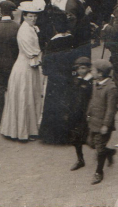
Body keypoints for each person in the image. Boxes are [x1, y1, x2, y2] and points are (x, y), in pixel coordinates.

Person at [0, 0, 45, 141]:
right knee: (25, 97)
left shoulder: (31, 28)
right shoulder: (24, 30)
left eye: (35, 16)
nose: (33, 18)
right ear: (24, 16)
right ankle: (22, 131)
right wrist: (41, 57)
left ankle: (29, 129)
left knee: (29, 97)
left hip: (28, 66)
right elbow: (32, 52)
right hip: (25, 66)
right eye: (30, 16)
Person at [39, 10, 78, 144]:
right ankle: (67, 135)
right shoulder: (71, 39)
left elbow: (46, 65)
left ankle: (52, 137)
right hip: (67, 78)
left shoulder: (52, 42)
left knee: (54, 106)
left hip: (55, 80)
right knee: (67, 104)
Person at [0, 0, 20, 126]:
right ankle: (14, 118)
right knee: (13, 89)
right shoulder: (17, 26)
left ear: (1, 12)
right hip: (14, 62)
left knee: (0, 90)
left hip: (0, 63)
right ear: (11, 12)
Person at [87, 58, 118, 185]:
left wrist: (106, 125)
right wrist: (88, 113)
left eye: (93, 70)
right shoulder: (96, 83)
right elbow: (93, 100)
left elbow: (111, 110)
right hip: (93, 122)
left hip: (103, 125)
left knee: (99, 149)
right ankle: (109, 152)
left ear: (100, 73)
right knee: (91, 143)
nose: (91, 71)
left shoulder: (111, 88)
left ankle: (99, 172)